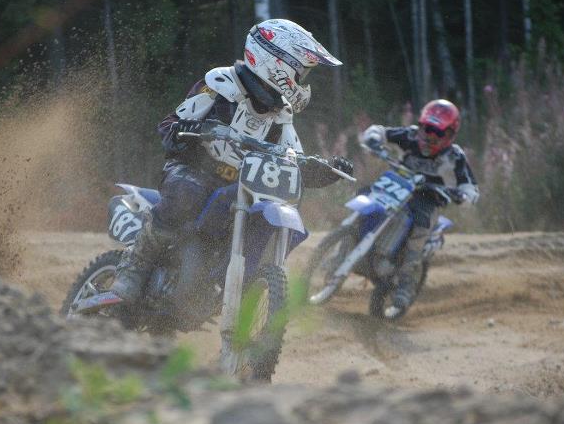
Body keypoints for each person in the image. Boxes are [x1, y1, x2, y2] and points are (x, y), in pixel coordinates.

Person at [110, 19, 354, 304]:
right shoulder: (221, 84)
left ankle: (227, 286)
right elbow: (171, 123)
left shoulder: (281, 113)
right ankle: (134, 265)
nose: (302, 80)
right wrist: (186, 129)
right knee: (186, 193)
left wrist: (323, 170)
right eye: (301, 71)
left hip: (239, 186)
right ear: (277, 62)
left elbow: (292, 159)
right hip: (193, 169)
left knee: (260, 216)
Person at [361, 99, 479, 319]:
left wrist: (463, 196)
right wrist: (374, 139)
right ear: (421, 124)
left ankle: (405, 286)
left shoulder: (454, 156)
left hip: (428, 199)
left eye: (437, 132)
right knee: (364, 195)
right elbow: (380, 131)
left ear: (450, 134)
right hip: (397, 185)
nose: (429, 136)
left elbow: (471, 188)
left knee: (420, 227)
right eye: (427, 128)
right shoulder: (410, 135)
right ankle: (345, 245)